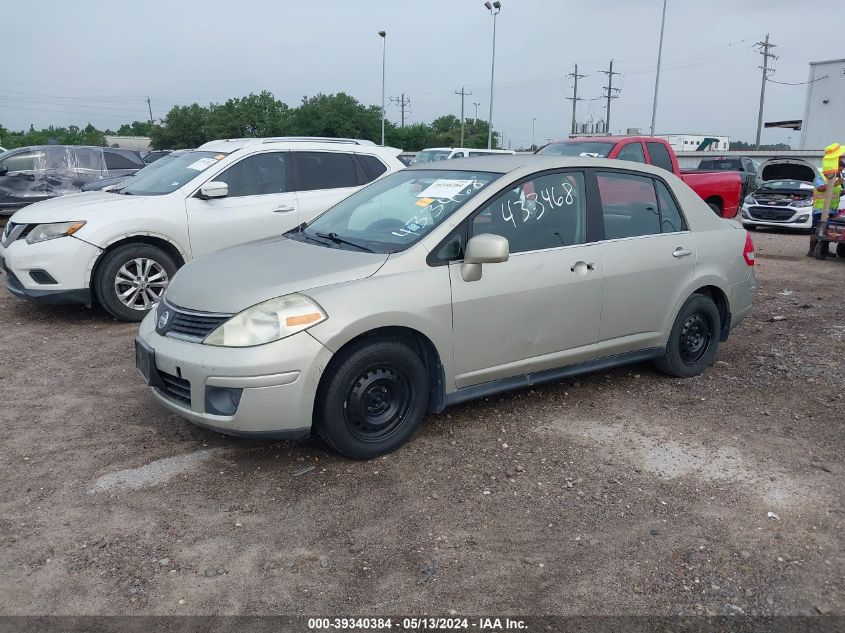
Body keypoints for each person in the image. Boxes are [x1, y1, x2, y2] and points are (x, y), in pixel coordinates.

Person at [808, 143, 844, 257]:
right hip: (820, 209)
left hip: (832, 210)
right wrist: (834, 183)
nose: (840, 172)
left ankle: (824, 250)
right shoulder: (820, 177)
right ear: (834, 167)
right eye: (839, 169)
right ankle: (811, 251)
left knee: (827, 231)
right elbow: (821, 188)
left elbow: (836, 193)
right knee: (816, 230)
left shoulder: (836, 179)